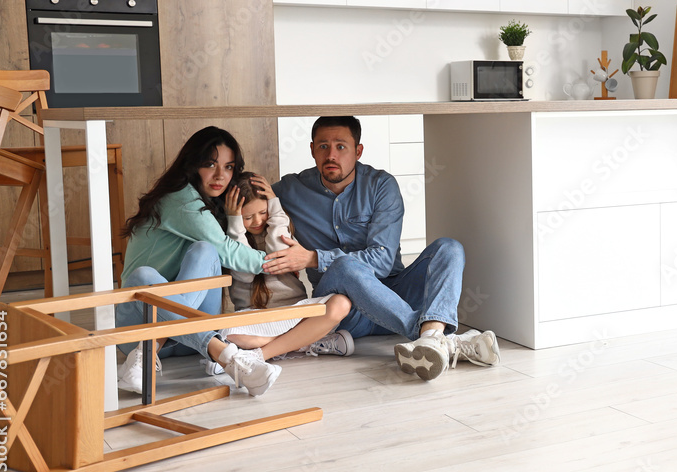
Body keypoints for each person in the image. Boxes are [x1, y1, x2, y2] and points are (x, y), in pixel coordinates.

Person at [263, 116, 500, 381]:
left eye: (341, 146)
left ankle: (430, 338)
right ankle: (434, 337)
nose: (331, 155)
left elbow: (383, 261)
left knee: (450, 248)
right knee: (344, 266)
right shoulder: (291, 189)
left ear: (358, 151)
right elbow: (249, 202)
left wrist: (312, 258)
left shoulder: (380, 185)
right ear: (311, 149)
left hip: (397, 293)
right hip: (344, 310)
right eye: (323, 146)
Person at [116, 126, 283, 397]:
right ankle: (229, 359)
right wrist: (278, 261)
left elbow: (220, 250)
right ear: (192, 165)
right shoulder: (181, 199)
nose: (221, 175)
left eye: (229, 167)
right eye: (210, 164)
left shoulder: (210, 204)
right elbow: (228, 251)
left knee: (205, 251)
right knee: (143, 277)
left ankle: (148, 353)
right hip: (137, 328)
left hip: (183, 341)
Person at [215, 171, 354, 361]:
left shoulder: (279, 229)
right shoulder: (230, 241)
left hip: (293, 310)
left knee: (341, 303)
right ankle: (305, 342)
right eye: (247, 217)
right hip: (257, 317)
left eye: (263, 212)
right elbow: (246, 274)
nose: (257, 221)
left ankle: (262, 353)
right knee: (227, 333)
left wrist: (276, 209)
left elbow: (278, 256)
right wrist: (235, 225)